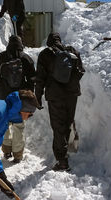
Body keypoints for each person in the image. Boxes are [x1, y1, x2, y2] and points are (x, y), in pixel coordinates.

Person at [35, 32, 85, 171]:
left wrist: (37, 97)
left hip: (55, 96)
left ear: (49, 42)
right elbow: (81, 70)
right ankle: (64, 153)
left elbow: (39, 79)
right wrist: (70, 83)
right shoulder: (72, 51)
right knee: (67, 123)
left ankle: (61, 160)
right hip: (72, 95)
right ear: (60, 41)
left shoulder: (45, 54)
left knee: (58, 127)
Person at [0, 35, 35, 163]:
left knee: (5, 125)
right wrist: (29, 95)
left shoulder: (0, 57)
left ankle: (6, 151)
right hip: (20, 99)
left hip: (3, 99)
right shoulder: (26, 58)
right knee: (18, 126)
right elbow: (32, 79)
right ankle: (18, 155)